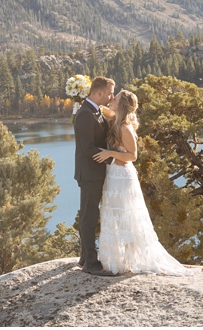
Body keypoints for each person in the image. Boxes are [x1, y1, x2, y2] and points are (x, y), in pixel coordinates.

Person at [93, 90, 194, 276]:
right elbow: (101, 109)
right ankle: (119, 260)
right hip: (113, 175)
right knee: (116, 217)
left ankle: (131, 260)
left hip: (123, 177)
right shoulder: (116, 119)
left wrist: (110, 153)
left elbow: (133, 155)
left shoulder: (124, 127)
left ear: (121, 104)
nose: (111, 99)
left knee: (126, 218)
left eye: (114, 98)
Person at [73, 76, 116, 276]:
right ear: (99, 93)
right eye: (109, 93)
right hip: (89, 173)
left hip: (94, 172)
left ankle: (84, 258)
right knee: (89, 217)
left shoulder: (95, 111)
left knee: (88, 215)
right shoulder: (84, 114)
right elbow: (88, 148)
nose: (111, 96)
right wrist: (114, 160)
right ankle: (91, 263)